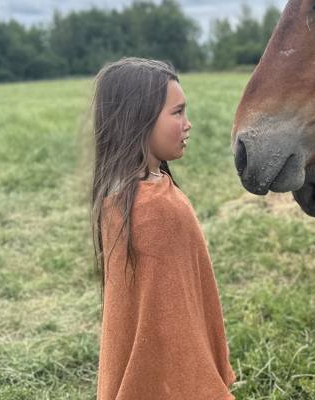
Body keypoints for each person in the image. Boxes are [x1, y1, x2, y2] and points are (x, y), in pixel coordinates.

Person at [89, 57, 235, 399]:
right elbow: (167, 325)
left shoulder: (127, 192)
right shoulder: (150, 206)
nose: (188, 124)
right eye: (178, 112)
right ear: (138, 119)